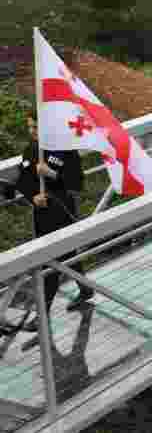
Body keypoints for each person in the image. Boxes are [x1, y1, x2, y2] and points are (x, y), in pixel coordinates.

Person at [3, 113, 94, 333]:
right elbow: (23, 180)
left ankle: (41, 316)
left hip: (62, 211)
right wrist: (33, 196)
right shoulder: (32, 148)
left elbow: (77, 182)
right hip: (41, 212)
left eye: (36, 127)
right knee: (69, 255)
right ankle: (86, 289)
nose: (32, 131)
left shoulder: (65, 148)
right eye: (30, 127)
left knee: (50, 261)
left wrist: (51, 173)